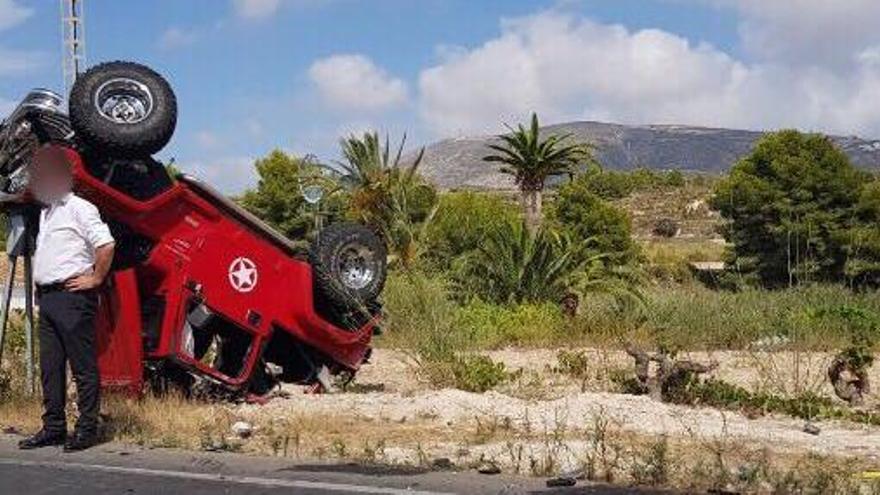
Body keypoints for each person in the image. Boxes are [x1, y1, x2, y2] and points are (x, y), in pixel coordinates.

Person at [18, 145, 115, 452]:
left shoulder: (80, 208)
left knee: (83, 367)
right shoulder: (47, 212)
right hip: (47, 299)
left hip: (72, 297)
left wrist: (96, 278)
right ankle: (54, 427)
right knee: (50, 367)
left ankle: (87, 429)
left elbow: (106, 244)